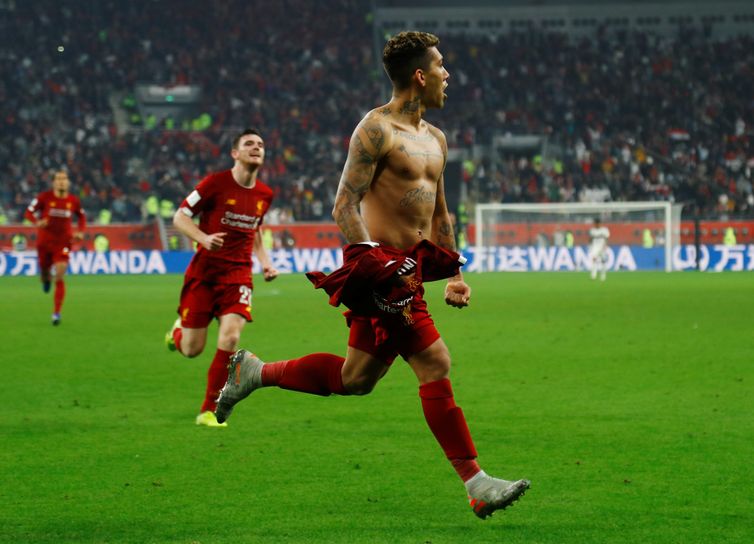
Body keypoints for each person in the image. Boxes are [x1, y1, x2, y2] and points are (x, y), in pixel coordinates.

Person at [215, 32, 529, 519]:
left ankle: (254, 372)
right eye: (441, 66)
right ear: (420, 76)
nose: (449, 75)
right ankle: (476, 481)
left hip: (411, 273)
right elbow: (345, 203)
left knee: (356, 377)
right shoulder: (375, 129)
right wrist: (373, 263)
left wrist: (454, 273)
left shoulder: (437, 139)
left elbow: (440, 212)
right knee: (435, 363)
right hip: (383, 273)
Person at [165, 128, 278, 427]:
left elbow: (255, 231)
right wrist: (202, 238)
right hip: (205, 274)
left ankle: (209, 410)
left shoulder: (265, 194)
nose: (257, 148)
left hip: (238, 274)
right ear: (235, 153)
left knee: (230, 336)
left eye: (261, 144)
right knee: (191, 349)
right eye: (249, 144)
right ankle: (177, 331)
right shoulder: (215, 184)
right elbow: (179, 217)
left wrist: (265, 263)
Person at [24, 170, 86, 325]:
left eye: (64, 179)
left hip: (64, 243)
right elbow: (28, 212)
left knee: (59, 275)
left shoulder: (74, 200)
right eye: (58, 179)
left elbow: (82, 216)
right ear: (53, 183)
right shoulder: (44, 198)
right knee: (45, 274)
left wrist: (81, 231)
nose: (61, 182)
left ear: (68, 182)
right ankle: (45, 280)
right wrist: (37, 222)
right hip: (44, 244)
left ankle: (56, 313)